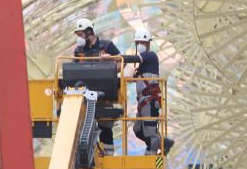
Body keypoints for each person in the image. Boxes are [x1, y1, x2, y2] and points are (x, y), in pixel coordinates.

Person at [73, 18, 121, 154]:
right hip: (84, 95)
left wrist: (110, 63)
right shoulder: (78, 51)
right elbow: (73, 69)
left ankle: (108, 154)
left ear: (89, 32)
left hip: (104, 94)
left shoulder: (107, 46)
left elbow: (121, 62)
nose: (79, 38)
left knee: (105, 124)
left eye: (80, 34)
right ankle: (85, 154)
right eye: (77, 35)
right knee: (83, 126)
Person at [126, 29, 174, 154]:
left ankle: (151, 152)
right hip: (143, 101)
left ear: (148, 44)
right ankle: (164, 143)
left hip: (150, 99)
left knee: (149, 129)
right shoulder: (142, 66)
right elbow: (133, 78)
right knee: (138, 130)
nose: (140, 45)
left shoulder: (151, 56)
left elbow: (135, 58)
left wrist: (118, 58)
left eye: (142, 42)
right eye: (138, 42)